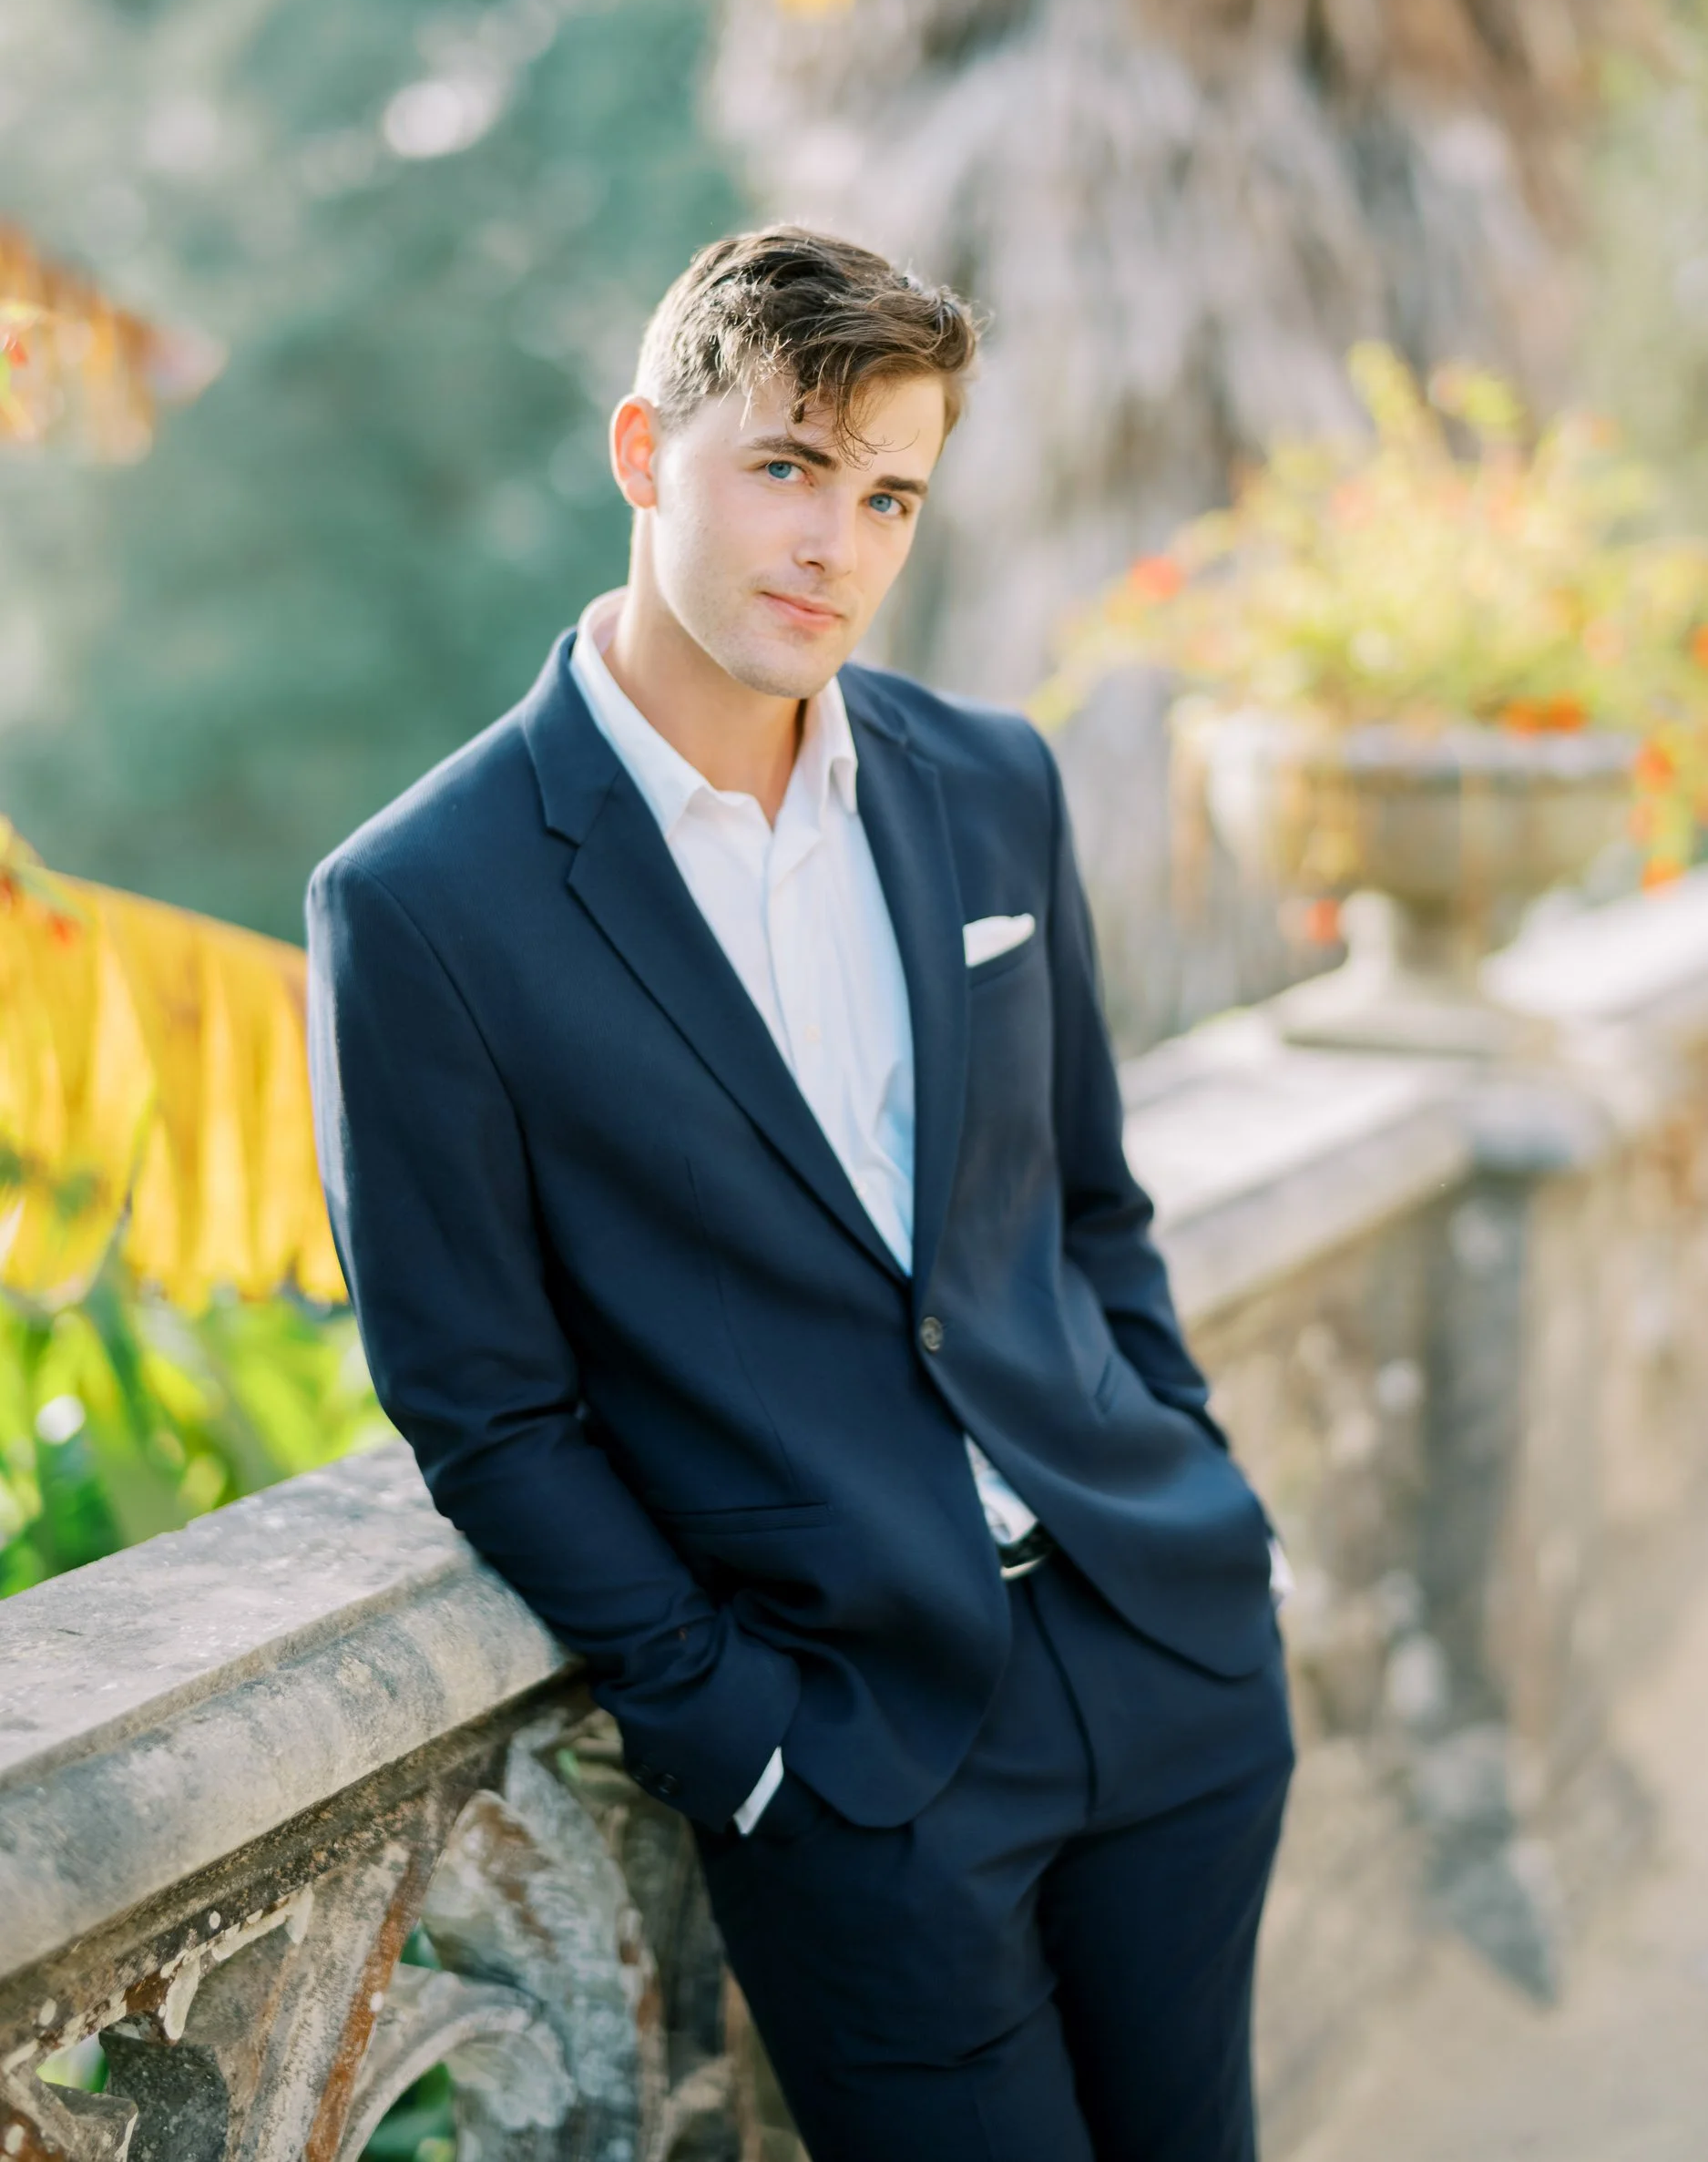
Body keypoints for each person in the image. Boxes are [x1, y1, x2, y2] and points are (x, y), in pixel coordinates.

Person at [307, 225, 1294, 2162]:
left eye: (888, 493)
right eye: (784, 465)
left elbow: (1087, 1202)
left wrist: (1200, 1491)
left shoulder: (988, 781)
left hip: (1159, 1652)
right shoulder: (422, 902)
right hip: (852, 1751)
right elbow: (484, 1403)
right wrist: (732, 1736)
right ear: (642, 450)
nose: (832, 542)